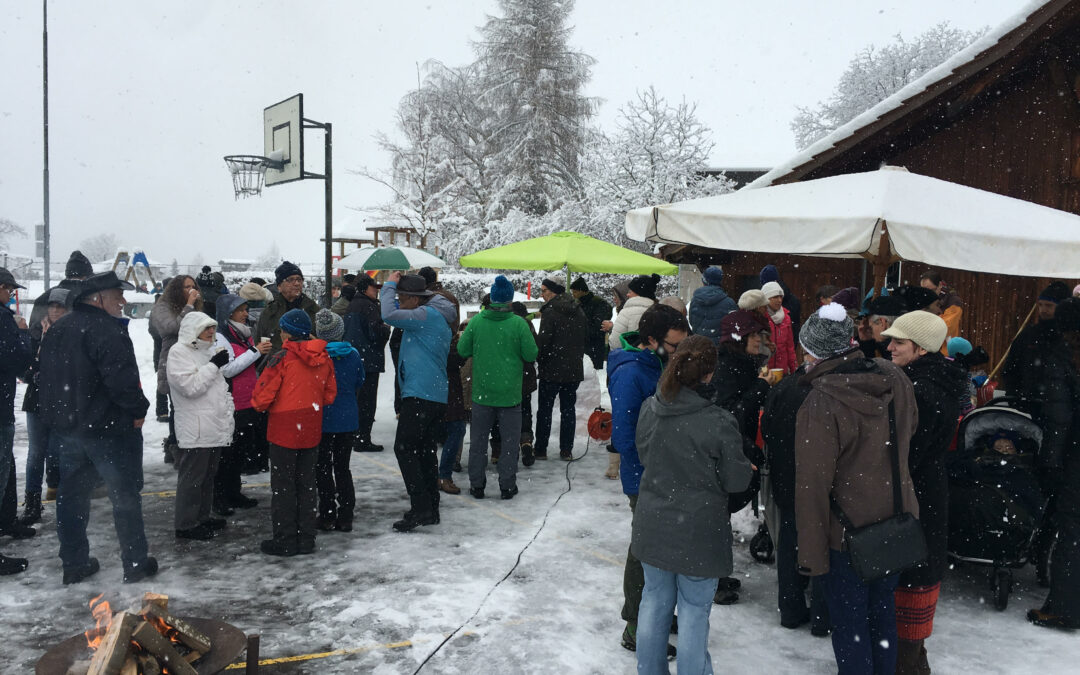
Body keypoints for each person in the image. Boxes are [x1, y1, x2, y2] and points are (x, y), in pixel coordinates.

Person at [795, 302, 919, 675]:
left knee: (850, 627)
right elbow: (908, 433)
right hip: (894, 522)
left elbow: (812, 484)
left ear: (813, 352)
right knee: (882, 619)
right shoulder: (894, 377)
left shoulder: (821, 400)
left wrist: (812, 556)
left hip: (845, 534)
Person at [633, 335, 753, 674]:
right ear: (709, 374)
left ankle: (649, 669)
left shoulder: (650, 408)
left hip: (654, 524)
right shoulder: (717, 421)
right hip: (698, 531)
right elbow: (736, 481)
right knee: (693, 612)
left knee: (654, 603)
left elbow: (646, 456)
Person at [38, 271, 158, 585]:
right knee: (125, 497)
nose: (123, 300)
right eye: (117, 294)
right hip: (109, 430)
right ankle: (135, 563)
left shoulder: (59, 327)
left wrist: (59, 418)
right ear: (98, 298)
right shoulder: (106, 329)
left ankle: (74, 562)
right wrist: (138, 409)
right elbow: (121, 381)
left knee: (72, 497)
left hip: (71, 431)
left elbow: (44, 378)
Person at [881, 311, 965, 673]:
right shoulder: (930, 381)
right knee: (913, 589)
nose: (889, 347)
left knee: (909, 590)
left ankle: (908, 666)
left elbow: (904, 455)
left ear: (920, 348)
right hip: (924, 496)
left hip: (915, 502)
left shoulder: (920, 390)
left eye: (898, 342)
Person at [608, 304, 690, 655]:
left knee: (663, 550)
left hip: (667, 473)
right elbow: (625, 438)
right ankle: (636, 626)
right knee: (644, 551)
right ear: (652, 340)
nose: (679, 354)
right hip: (646, 478)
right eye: (674, 347)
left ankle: (654, 611)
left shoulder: (658, 362)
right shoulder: (631, 373)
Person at [251, 309, 337, 556]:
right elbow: (329, 394)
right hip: (311, 425)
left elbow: (260, 399)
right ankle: (306, 537)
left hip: (283, 429)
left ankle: (286, 539)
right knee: (307, 484)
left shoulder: (281, 358)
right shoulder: (323, 357)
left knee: (284, 487)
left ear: (287, 333)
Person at [380, 273, 457, 532]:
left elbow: (388, 314)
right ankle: (430, 508)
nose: (399, 302)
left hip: (422, 395)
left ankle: (421, 507)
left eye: (402, 297)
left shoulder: (426, 316)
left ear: (415, 299)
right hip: (432, 394)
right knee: (423, 451)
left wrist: (389, 284)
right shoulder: (431, 317)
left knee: (405, 449)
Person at [762, 353, 830, 637]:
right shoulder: (835, 389)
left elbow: (766, 430)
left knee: (790, 540)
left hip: (789, 479)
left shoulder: (786, 386)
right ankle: (822, 616)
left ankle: (790, 609)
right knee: (825, 546)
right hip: (823, 483)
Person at [710, 309, 772, 604]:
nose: (760, 341)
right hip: (727, 453)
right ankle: (713, 581)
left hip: (738, 448)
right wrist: (761, 387)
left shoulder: (742, 365)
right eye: (755, 335)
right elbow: (729, 412)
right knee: (717, 518)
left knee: (721, 519)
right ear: (739, 338)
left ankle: (717, 576)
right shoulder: (728, 368)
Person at [458, 276, 538, 499]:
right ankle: (507, 486)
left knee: (478, 443)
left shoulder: (476, 322)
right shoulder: (519, 324)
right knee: (510, 444)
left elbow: (463, 350)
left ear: (491, 299)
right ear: (510, 300)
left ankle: (477, 485)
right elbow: (531, 354)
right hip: (510, 395)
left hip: (482, 394)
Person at [1027, 297, 1080, 629]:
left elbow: (1059, 418)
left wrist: (1050, 461)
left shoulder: (1064, 356)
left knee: (1072, 528)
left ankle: (1063, 608)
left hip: (1075, 452)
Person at [168, 312, 235, 541]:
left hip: (212, 425)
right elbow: (190, 387)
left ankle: (202, 517)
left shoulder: (206, 352)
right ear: (192, 329)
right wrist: (214, 366)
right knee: (192, 477)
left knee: (208, 475)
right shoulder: (179, 352)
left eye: (213, 328)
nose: (211, 332)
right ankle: (186, 524)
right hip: (195, 427)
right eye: (206, 328)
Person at [212, 294, 269, 511]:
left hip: (247, 402)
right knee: (227, 455)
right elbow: (227, 368)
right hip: (232, 403)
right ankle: (220, 497)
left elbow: (247, 366)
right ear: (229, 314)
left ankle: (234, 493)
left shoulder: (243, 334)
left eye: (246, 309)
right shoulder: (221, 337)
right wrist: (256, 353)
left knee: (239, 454)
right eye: (241, 310)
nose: (246, 314)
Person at [18, 287, 68, 526]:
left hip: (63, 400)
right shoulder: (36, 333)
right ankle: (32, 502)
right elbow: (25, 369)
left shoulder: (72, 333)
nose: (56, 310)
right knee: (36, 452)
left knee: (59, 450)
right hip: (37, 399)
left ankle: (61, 495)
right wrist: (36, 369)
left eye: (61, 306)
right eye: (53, 306)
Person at [314, 309, 364, 532]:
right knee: (343, 468)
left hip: (323, 419)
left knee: (322, 468)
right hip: (348, 419)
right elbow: (359, 381)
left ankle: (326, 514)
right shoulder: (352, 354)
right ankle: (346, 515)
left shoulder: (317, 357)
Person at [0, 267, 33, 575]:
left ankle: (7, 520)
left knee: (6, 468)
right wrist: (22, 332)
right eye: (9, 290)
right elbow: (17, 360)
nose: (11, 296)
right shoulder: (3, 320)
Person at [150, 275, 203, 463]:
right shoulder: (162, 307)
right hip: (173, 360)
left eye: (193, 286)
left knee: (192, 407)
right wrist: (189, 306)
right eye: (186, 287)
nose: (191, 290)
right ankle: (175, 446)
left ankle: (188, 445)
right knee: (177, 407)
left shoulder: (195, 305)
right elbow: (172, 328)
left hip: (194, 360)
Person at [535, 278, 588, 461]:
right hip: (572, 368)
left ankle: (541, 449)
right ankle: (566, 449)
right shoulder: (578, 309)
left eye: (544, 291)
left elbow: (543, 342)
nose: (541, 294)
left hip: (551, 368)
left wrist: (539, 358)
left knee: (545, 410)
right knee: (568, 410)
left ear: (553, 291)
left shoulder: (550, 312)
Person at [344, 275, 392, 452]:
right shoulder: (369, 306)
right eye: (374, 288)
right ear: (365, 289)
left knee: (357, 400)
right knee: (367, 402)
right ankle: (363, 439)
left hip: (354, 358)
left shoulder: (352, 305)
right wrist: (386, 328)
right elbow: (376, 333)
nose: (377, 291)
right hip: (369, 361)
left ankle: (354, 436)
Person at [256, 261, 320, 352]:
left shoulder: (313, 309)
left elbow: (323, 344)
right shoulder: (270, 312)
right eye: (290, 280)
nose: (297, 283)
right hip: (277, 363)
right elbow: (259, 343)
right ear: (279, 286)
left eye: (299, 279)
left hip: (308, 362)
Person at [571, 276, 613, 371]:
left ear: (582, 291)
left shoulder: (598, 303)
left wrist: (580, 331)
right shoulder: (579, 303)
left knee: (592, 375)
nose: (573, 294)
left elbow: (598, 326)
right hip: (585, 345)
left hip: (594, 345)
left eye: (575, 291)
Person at [608, 274, 660, 350]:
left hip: (630, 359)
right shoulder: (659, 312)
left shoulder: (626, 313)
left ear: (640, 293)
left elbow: (615, 343)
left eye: (630, 291)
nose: (627, 294)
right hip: (654, 359)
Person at [689, 265, 737, 343]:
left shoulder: (695, 300)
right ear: (721, 281)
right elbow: (734, 327)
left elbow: (692, 321)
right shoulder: (729, 303)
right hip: (721, 348)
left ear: (704, 281)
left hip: (699, 346)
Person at [857, 293, 907, 360]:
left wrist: (864, 344)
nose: (872, 335)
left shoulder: (893, 352)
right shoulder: (909, 343)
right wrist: (866, 342)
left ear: (882, 323)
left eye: (871, 328)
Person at [762, 281, 797, 374]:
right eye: (775, 297)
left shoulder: (786, 318)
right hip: (763, 372)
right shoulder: (760, 317)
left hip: (782, 372)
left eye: (781, 297)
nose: (779, 300)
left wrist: (794, 370)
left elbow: (790, 347)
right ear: (766, 299)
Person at [761, 264, 802, 340]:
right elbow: (795, 328)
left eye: (780, 297)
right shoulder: (793, 299)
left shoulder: (762, 302)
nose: (779, 300)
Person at [919, 271, 962, 343]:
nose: (926, 294)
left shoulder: (953, 301)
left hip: (944, 350)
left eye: (931, 290)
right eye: (923, 291)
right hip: (923, 347)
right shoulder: (921, 299)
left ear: (940, 285)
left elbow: (946, 328)